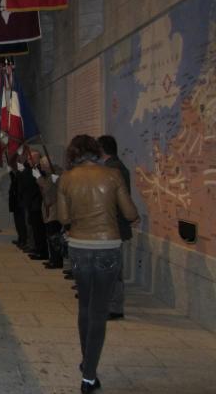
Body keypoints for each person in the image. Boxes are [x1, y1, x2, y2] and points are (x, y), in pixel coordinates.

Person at [57, 135, 139, 393]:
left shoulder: (67, 179)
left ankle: (86, 362)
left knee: (85, 305)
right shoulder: (112, 175)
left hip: (79, 247)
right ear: (95, 151)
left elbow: (63, 217)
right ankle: (89, 375)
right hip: (107, 247)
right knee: (99, 311)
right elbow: (130, 213)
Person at [98, 134, 132, 321]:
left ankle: (115, 307)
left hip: (114, 225)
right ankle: (111, 303)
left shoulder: (114, 170)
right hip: (112, 225)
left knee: (113, 269)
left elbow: (117, 202)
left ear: (102, 149)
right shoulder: (113, 168)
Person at [34, 156, 63, 269]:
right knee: (50, 235)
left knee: (54, 236)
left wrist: (39, 178)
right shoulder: (50, 174)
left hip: (54, 209)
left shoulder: (55, 174)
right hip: (48, 208)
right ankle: (53, 258)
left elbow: (45, 187)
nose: (42, 168)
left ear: (46, 165)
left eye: (42, 166)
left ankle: (56, 261)